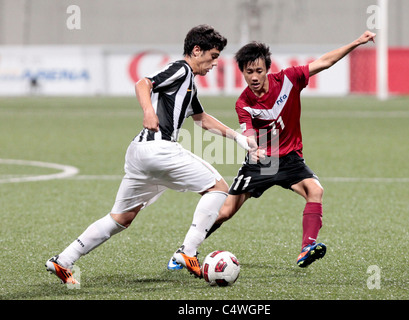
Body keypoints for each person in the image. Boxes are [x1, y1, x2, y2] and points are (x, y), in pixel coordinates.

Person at [45, 24, 255, 283]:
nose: (214, 64)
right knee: (218, 188)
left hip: (141, 155)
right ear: (196, 50)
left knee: (121, 218)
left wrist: (237, 137)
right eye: (213, 57)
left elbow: (201, 118)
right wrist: (148, 111)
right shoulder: (181, 69)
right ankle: (187, 252)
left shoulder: (189, 83)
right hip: (159, 149)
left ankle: (63, 260)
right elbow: (143, 83)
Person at [199, 31, 377, 269]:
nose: (254, 77)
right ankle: (187, 250)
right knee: (225, 212)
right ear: (242, 72)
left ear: (268, 69)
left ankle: (307, 248)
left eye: (259, 71)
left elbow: (325, 62)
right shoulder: (244, 103)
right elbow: (248, 131)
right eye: (248, 72)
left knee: (315, 190)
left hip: (291, 158)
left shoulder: (289, 79)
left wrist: (356, 42)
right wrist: (253, 147)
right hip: (261, 163)